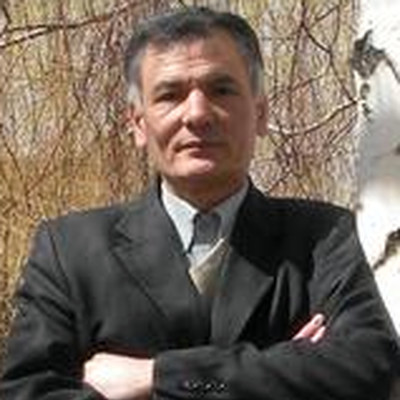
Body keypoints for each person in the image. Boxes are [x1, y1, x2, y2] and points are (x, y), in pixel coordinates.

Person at [0, 6, 398, 400]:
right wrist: (282, 370)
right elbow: (27, 391)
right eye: (169, 95)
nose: (197, 113)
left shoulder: (329, 239)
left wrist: (156, 376)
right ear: (138, 123)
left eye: (221, 90)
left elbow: (369, 369)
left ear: (260, 112)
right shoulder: (70, 251)